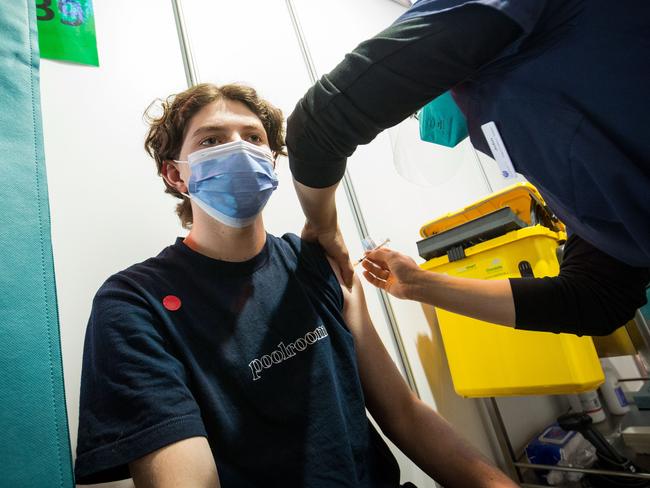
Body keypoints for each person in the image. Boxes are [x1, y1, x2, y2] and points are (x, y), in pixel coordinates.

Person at [74, 83, 516, 488]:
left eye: (253, 138)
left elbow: (404, 413)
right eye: (211, 140)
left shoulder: (319, 265)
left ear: (273, 159)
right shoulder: (134, 304)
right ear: (176, 175)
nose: (238, 150)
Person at [285, 0, 650, 337]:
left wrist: (324, 226)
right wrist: (417, 283)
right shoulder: (533, 102)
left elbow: (317, 126)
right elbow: (599, 297)